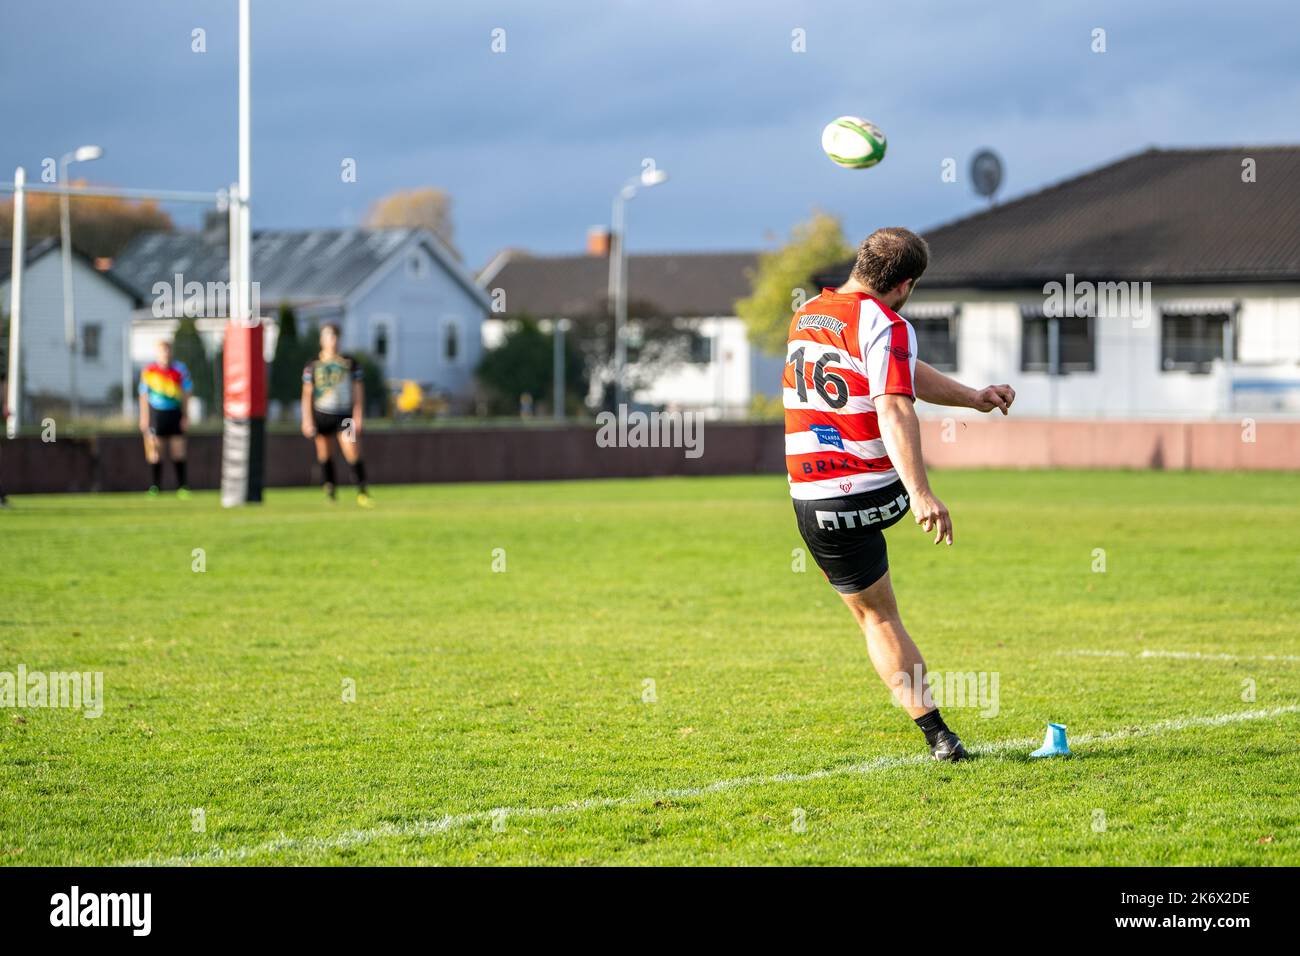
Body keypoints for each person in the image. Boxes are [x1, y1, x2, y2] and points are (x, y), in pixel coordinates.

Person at [784, 227, 1016, 761]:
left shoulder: (807, 314)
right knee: (884, 610)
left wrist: (971, 397)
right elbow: (893, 404)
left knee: (877, 619)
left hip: (814, 500)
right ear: (905, 285)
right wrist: (920, 492)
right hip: (875, 490)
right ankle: (939, 733)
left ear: (860, 263)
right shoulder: (887, 323)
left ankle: (939, 737)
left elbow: (898, 369)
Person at [301, 323, 372, 507]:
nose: (332, 340)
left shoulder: (349, 363)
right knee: (324, 454)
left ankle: (362, 492)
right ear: (321, 339)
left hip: (344, 415)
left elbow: (358, 390)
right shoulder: (313, 364)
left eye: (335, 336)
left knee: (352, 450)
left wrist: (358, 415)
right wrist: (307, 419)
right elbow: (307, 393)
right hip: (322, 414)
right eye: (328, 336)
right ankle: (330, 491)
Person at [138, 339, 192, 498]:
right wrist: (144, 417)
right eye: (162, 351)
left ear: (171, 352)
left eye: (168, 350)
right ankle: (155, 486)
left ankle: (182, 486)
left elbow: (186, 393)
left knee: (178, 451)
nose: (165, 354)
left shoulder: (180, 369)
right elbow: (143, 396)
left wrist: (185, 415)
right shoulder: (149, 371)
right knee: (155, 451)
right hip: (156, 414)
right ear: (157, 353)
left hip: (175, 413)